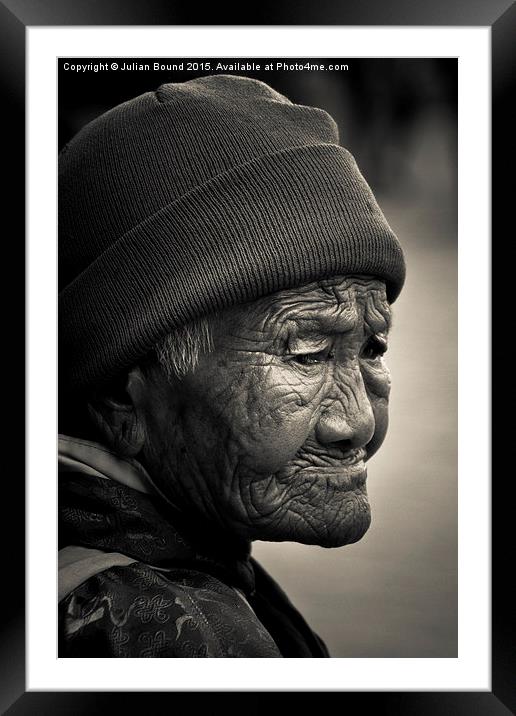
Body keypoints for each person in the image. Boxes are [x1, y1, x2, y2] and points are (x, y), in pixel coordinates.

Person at [58, 74, 405, 657]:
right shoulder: (172, 636)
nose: (358, 424)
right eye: (307, 354)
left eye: (372, 348)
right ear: (122, 397)